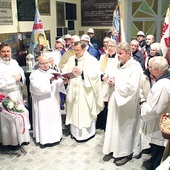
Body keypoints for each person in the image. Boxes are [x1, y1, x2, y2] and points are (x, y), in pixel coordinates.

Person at [103, 42, 143, 166]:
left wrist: (116, 83)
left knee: (125, 128)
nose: (118, 56)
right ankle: (114, 148)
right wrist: (110, 82)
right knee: (114, 125)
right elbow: (113, 78)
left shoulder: (134, 67)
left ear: (128, 53)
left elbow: (132, 87)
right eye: (118, 53)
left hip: (127, 104)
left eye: (121, 53)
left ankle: (126, 152)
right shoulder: (117, 65)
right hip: (116, 100)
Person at [61, 41, 103, 142]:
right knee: (74, 110)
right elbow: (65, 71)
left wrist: (83, 73)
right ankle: (75, 133)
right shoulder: (71, 59)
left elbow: (96, 75)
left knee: (84, 111)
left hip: (85, 90)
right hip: (73, 89)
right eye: (74, 50)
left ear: (84, 49)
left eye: (78, 50)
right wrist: (66, 79)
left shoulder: (91, 60)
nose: (75, 52)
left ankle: (87, 134)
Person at [29, 55, 66, 146]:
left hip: (53, 100)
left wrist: (64, 82)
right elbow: (37, 88)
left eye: (47, 63)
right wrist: (49, 81)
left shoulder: (53, 72)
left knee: (53, 118)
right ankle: (44, 139)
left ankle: (55, 137)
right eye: (42, 63)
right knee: (43, 119)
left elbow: (58, 85)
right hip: (42, 101)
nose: (45, 65)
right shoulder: (34, 74)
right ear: (38, 64)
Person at [141, 56, 170, 170]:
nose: (149, 69)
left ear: (156, 69)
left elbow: (155, 109)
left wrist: (142, 108)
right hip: (161, 121)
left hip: (160, 125)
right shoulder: (164, 80)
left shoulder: (162, 84)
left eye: (150, 67)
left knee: (158, 148)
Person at [96, 39, 119, 130]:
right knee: (103, 103)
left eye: (112, 46)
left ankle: (109, 126)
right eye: (109, 46)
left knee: (111, 104)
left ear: (116, 47)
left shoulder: (118, 58)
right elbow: (97, 68)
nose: (110, 48)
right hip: (103, 83)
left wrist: (112, 78)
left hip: (112, 84)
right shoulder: (103, 57)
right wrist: (102, 75)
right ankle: (102, 123)